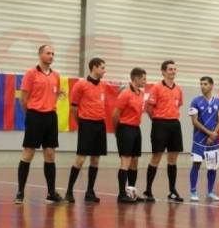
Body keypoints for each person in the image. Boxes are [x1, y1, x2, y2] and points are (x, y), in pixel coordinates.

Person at [16, 44, 64, 204]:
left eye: (53, 53)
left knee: (50, 154)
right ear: (40, 55)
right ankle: (20, 192)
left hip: (51, 117)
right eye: (48, 53)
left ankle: (51, 193)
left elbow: (56, 95)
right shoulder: (31, 73)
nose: (51, 56)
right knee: (28, 153)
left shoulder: (56, 76)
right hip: (35, 116)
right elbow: (23, 99)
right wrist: (31, 114)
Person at [65, 58, 108, 203]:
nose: (104, 70)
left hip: (100, 124)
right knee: (80, 159)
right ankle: (69, 191)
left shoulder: (103, 85)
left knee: (95, 159)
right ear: (94, 67)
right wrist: (81, 123)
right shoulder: (81, 84)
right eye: (102, 68)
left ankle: (90, 191)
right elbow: (73, 107)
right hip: (86, 124)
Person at [144, 60, 185, 202]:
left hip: (174, 124)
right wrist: (156, 121)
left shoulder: (178, 89)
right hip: (160, 124)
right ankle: (148, 190)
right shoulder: (156, 88)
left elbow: (178, 105)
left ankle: (172, 191)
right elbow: (149, 108)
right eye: (170, 69)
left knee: (173, 158)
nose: (173, 71)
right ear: (163, 71)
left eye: (174, 69)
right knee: (156, 157)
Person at [112, 67, 148, 203]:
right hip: (125, 128)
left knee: (134, 162)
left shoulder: (141, 93)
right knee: (125, 162)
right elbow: (115, 114)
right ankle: (122, 194)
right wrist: (117, 130)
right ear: (136, 78)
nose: (145, 81)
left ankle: (131, 192)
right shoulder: (125, 94)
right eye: (143, 78)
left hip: (136, 129)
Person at [188, 76, 219, 201]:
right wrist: (209, 133)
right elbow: (194, 122)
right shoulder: (195, 101)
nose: (202, 86)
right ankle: (193, 192)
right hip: (199, 140)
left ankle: (210, 192)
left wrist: (214, 134)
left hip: (213, 141)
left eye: (205, 84)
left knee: (212, 167)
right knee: (196, 164)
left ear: (212, 86)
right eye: (201, 84)